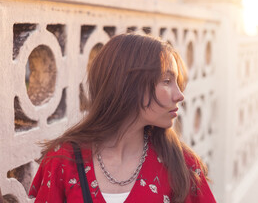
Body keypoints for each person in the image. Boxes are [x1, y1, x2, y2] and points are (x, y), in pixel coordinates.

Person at [28, 33, 216, 203]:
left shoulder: (181, 163)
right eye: (167, 81)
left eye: (177, 82)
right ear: (127, 85)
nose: (180, 95)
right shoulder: (63, 160)